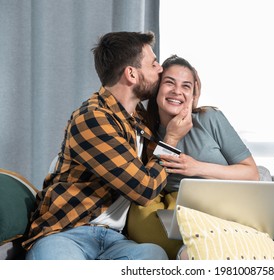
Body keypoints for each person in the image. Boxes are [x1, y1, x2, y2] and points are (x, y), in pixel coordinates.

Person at [133, 54, 274, 260]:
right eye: (169, 83)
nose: (177, 91)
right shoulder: (146, 132)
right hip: (196, 220)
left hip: (243, 211)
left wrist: (196, 167)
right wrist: (172, 136)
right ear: (156, 88)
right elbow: (147, 181)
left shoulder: (209, 119)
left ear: (193, 93)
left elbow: (251, 174)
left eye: (186, 86)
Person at [22, 32, 193, 260]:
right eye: (153, 64)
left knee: (154, 255)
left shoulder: (139, 118)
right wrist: (171, 140)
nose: (160, 69)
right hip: (67, 233)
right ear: (131, 74)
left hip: (114, 240)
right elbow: (145, 189)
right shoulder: (92, 118)